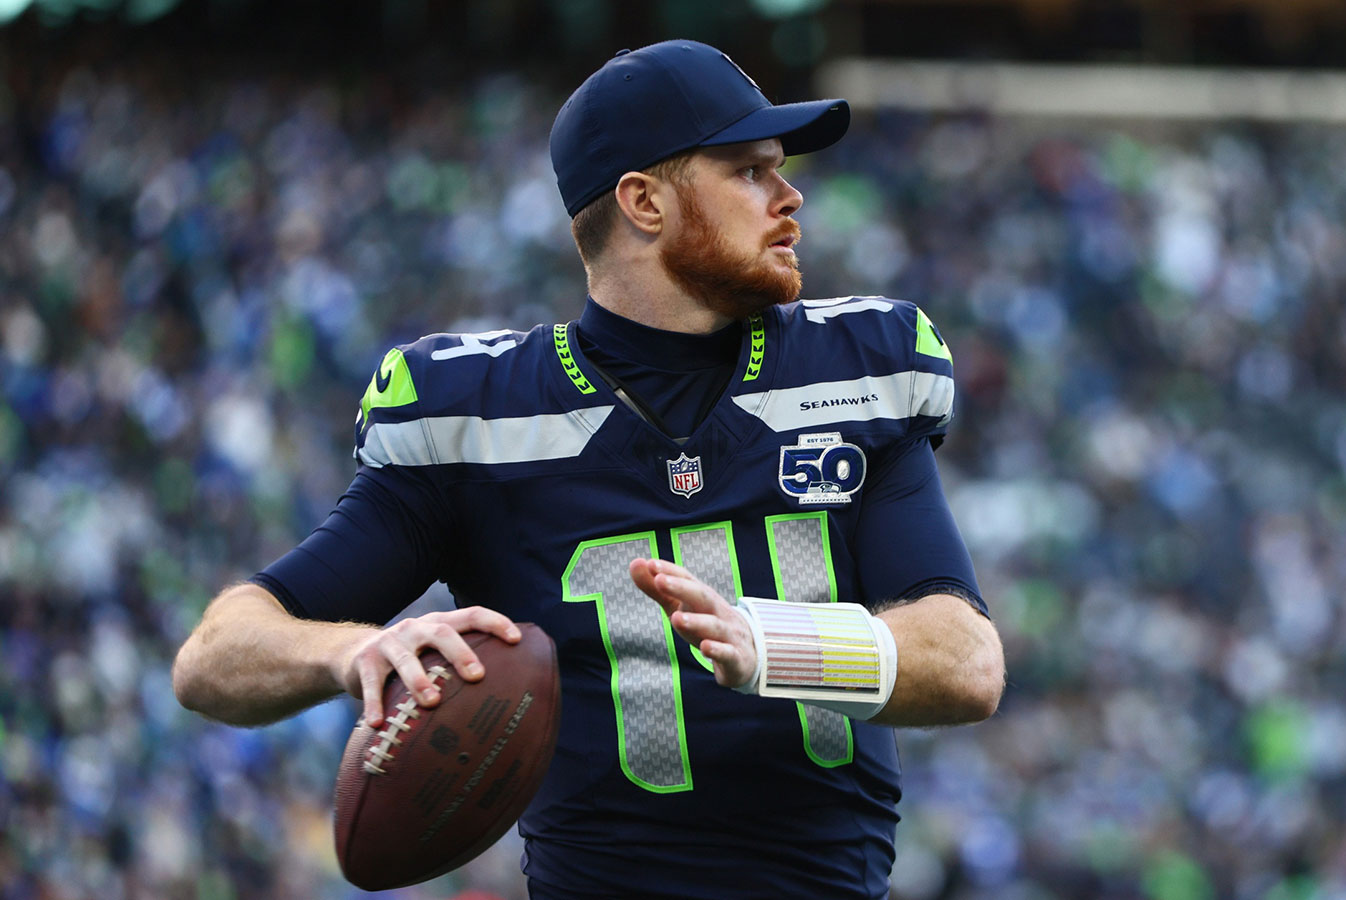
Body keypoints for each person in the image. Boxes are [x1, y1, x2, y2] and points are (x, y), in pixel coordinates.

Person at [172, 39, 1004, 899]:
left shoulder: (860, 369)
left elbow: (967, 662)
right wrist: (355, 651)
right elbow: (212, 658)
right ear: (644, 202)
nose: (790, 198)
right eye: (750, 172)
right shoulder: (477, 417)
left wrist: (771, 645)